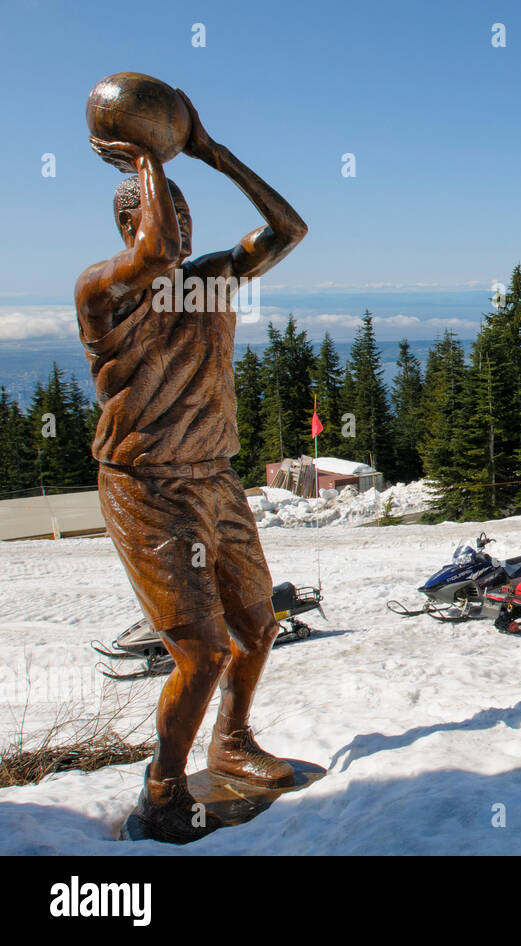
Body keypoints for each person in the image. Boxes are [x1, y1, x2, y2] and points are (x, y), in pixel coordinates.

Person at [75, 90, 307, 843]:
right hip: (146, 489)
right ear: (131, 222)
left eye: (187, 219)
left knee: (259, 624)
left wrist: (212, 153)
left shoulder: (209, 279)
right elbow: (154, 256)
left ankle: (232, 740)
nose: (182, 235)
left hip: (214, 477)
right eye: (165, 218)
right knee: (202, 651)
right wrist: (147, 152)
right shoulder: (101, 292)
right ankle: (163, 789)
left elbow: (288, 228)